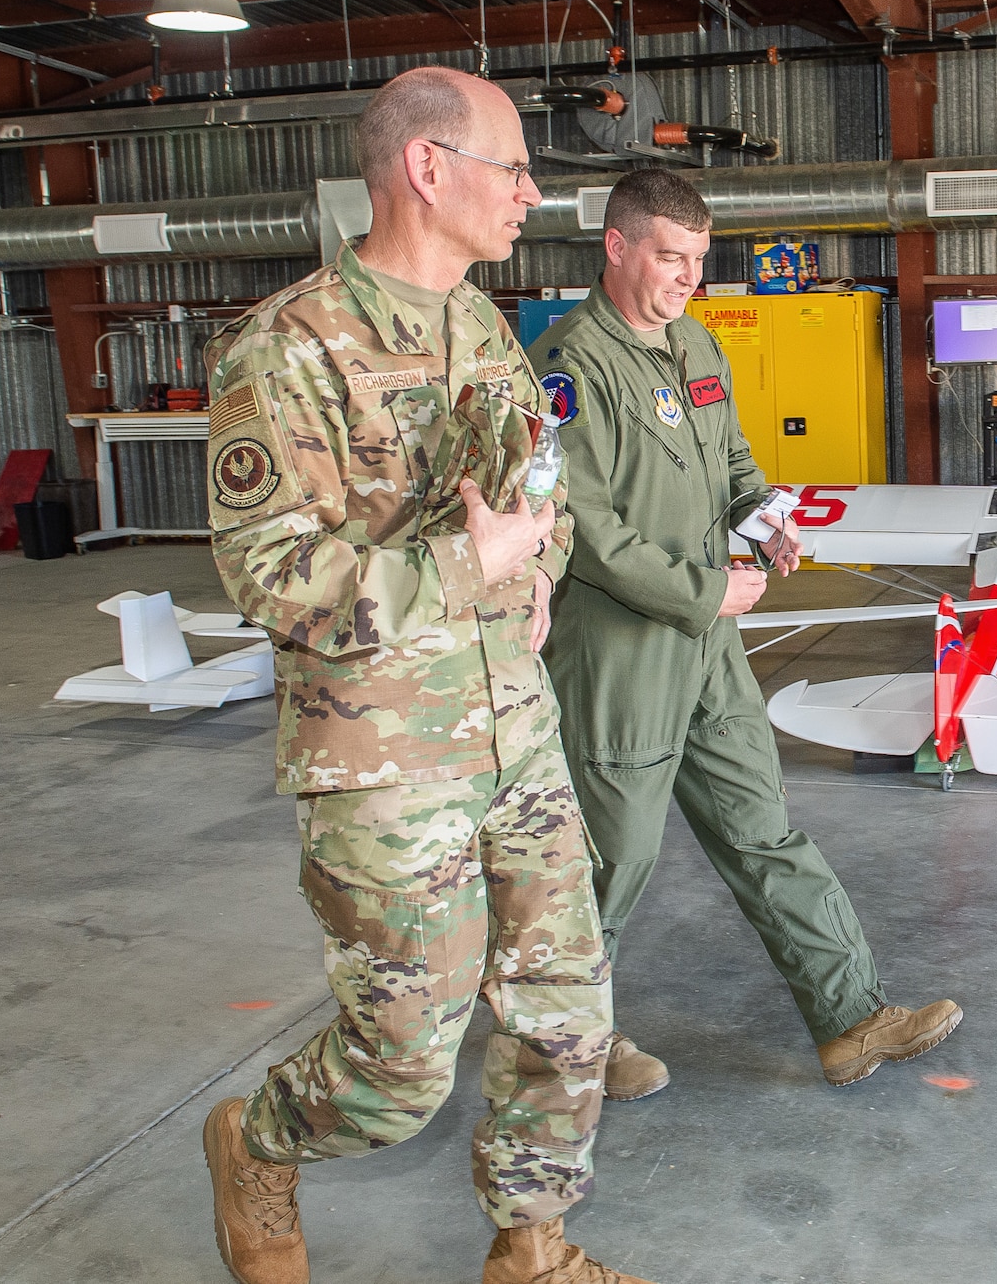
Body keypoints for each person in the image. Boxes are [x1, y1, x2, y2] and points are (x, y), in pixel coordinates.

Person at [201, 66, 650, 1284]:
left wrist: (540, 556)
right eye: (512, 166)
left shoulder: (482, 327)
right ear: (427, 168)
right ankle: (259, 1138)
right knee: (400, 1067)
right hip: (384, 759)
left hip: (516, 729)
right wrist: (467, 562)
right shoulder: (289, 346)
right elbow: (267, 570)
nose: (529, 191)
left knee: (567, 1018)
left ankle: (532, 1248)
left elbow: (533, 487)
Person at [526, 169, 960, 1096]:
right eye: (669, 257)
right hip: (620, 649)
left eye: (698, 260)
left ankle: (851, 1017)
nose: (687, 278)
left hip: (709, 643)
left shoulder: (693, 341)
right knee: (612, 860)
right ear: (617, 247)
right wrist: (704, 588)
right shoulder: (570, 367)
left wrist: (763, 514)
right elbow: (587, 528)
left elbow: (728, 455)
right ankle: (561, 1048)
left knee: (763, 829)